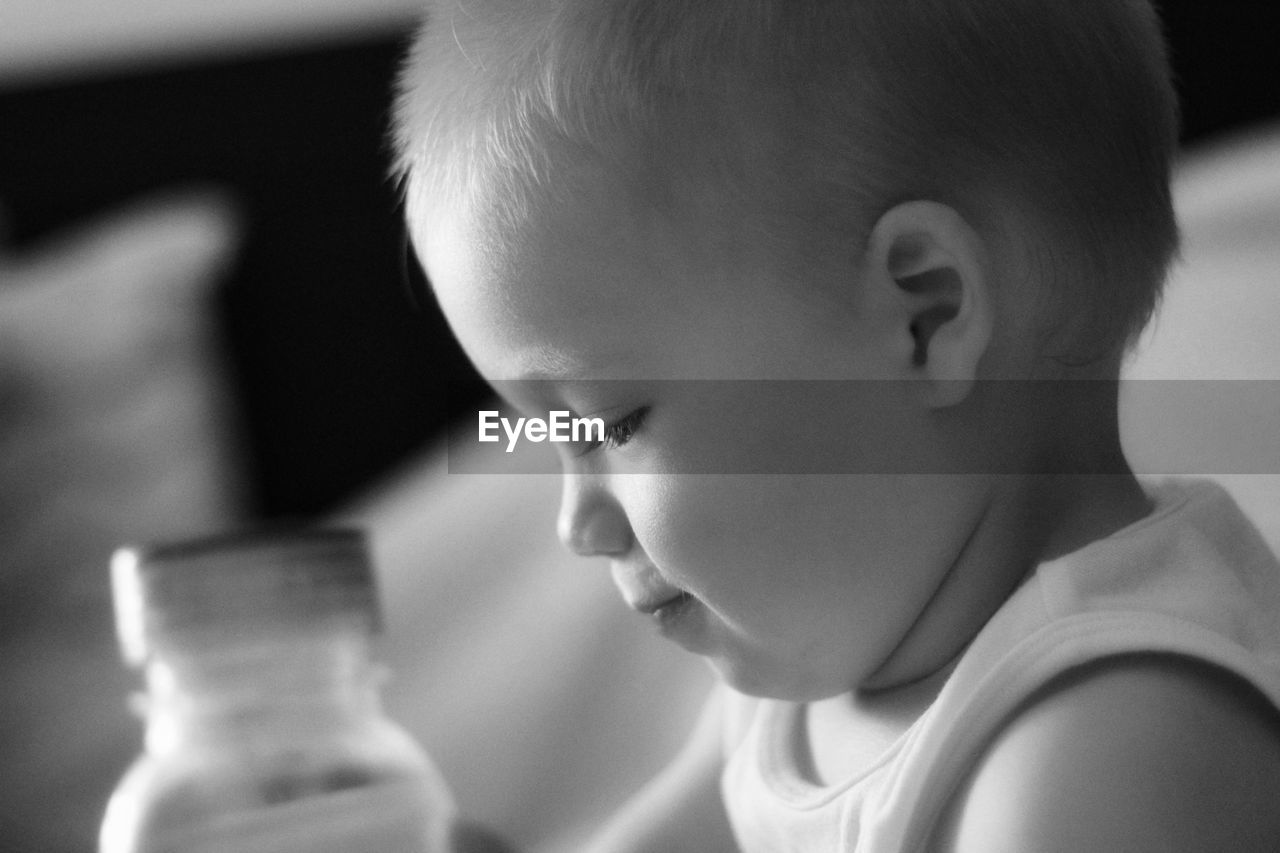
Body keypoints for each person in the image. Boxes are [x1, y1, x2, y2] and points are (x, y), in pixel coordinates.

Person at [390, 1, 1280, 850]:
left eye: (609, 423)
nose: (574, 524)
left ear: (924, 316)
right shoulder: (803, 687)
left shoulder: (1106, 750)